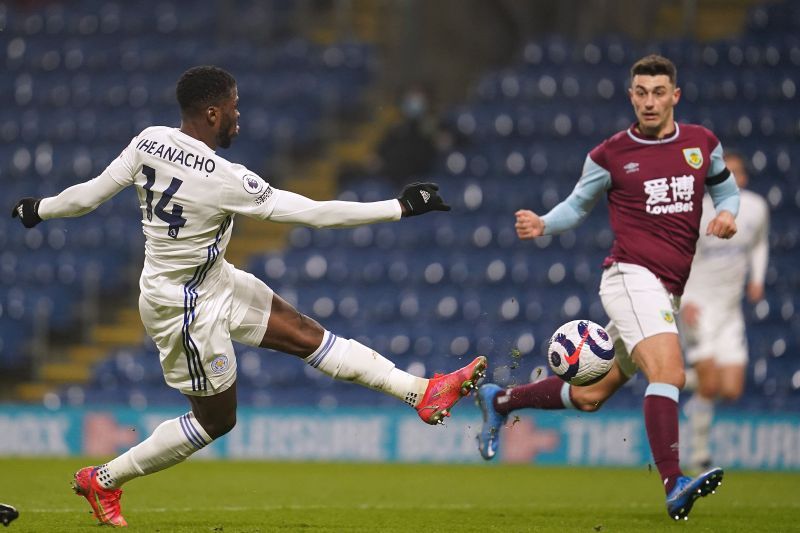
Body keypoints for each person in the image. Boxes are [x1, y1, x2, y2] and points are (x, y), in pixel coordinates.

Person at [11, 65, 487, 527]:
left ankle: (423, 393)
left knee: (306, 335)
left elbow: (88, 196)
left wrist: (39, 209)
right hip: (182, 309)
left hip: (212, 279)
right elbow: (313, 214)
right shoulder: (224, 178)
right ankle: (105, 479)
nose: (240, 116)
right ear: (214, 114)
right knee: (217, 421)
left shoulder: (147, 142)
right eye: (235, 108)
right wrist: (399, 207)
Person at [475, 55, 740, 521]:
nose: (650, 101)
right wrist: (543, 223)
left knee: (589, 395)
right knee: (670, 373)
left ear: (674, 96)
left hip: (667, 290)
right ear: (631, 96)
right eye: (641, 92)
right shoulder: (610, 154)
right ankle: (674, 481)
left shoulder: (702, 144)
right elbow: (577, 206)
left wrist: (726, 214)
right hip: (631, 277)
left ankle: (500, 399)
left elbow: (726, 190)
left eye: (659, 92)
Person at [679, 151, 769, 470]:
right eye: (723, 174)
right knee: (711, 384)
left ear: (743, 178)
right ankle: (698, 454)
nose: (730, 179)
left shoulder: (757, 208)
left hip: (730, 312)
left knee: (730, 389)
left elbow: (759, 244)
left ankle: (671, 378)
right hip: (699, 306)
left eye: (736, 173)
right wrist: (685, 299)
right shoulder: (698, 213)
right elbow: (683, 258)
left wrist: (757, 279)